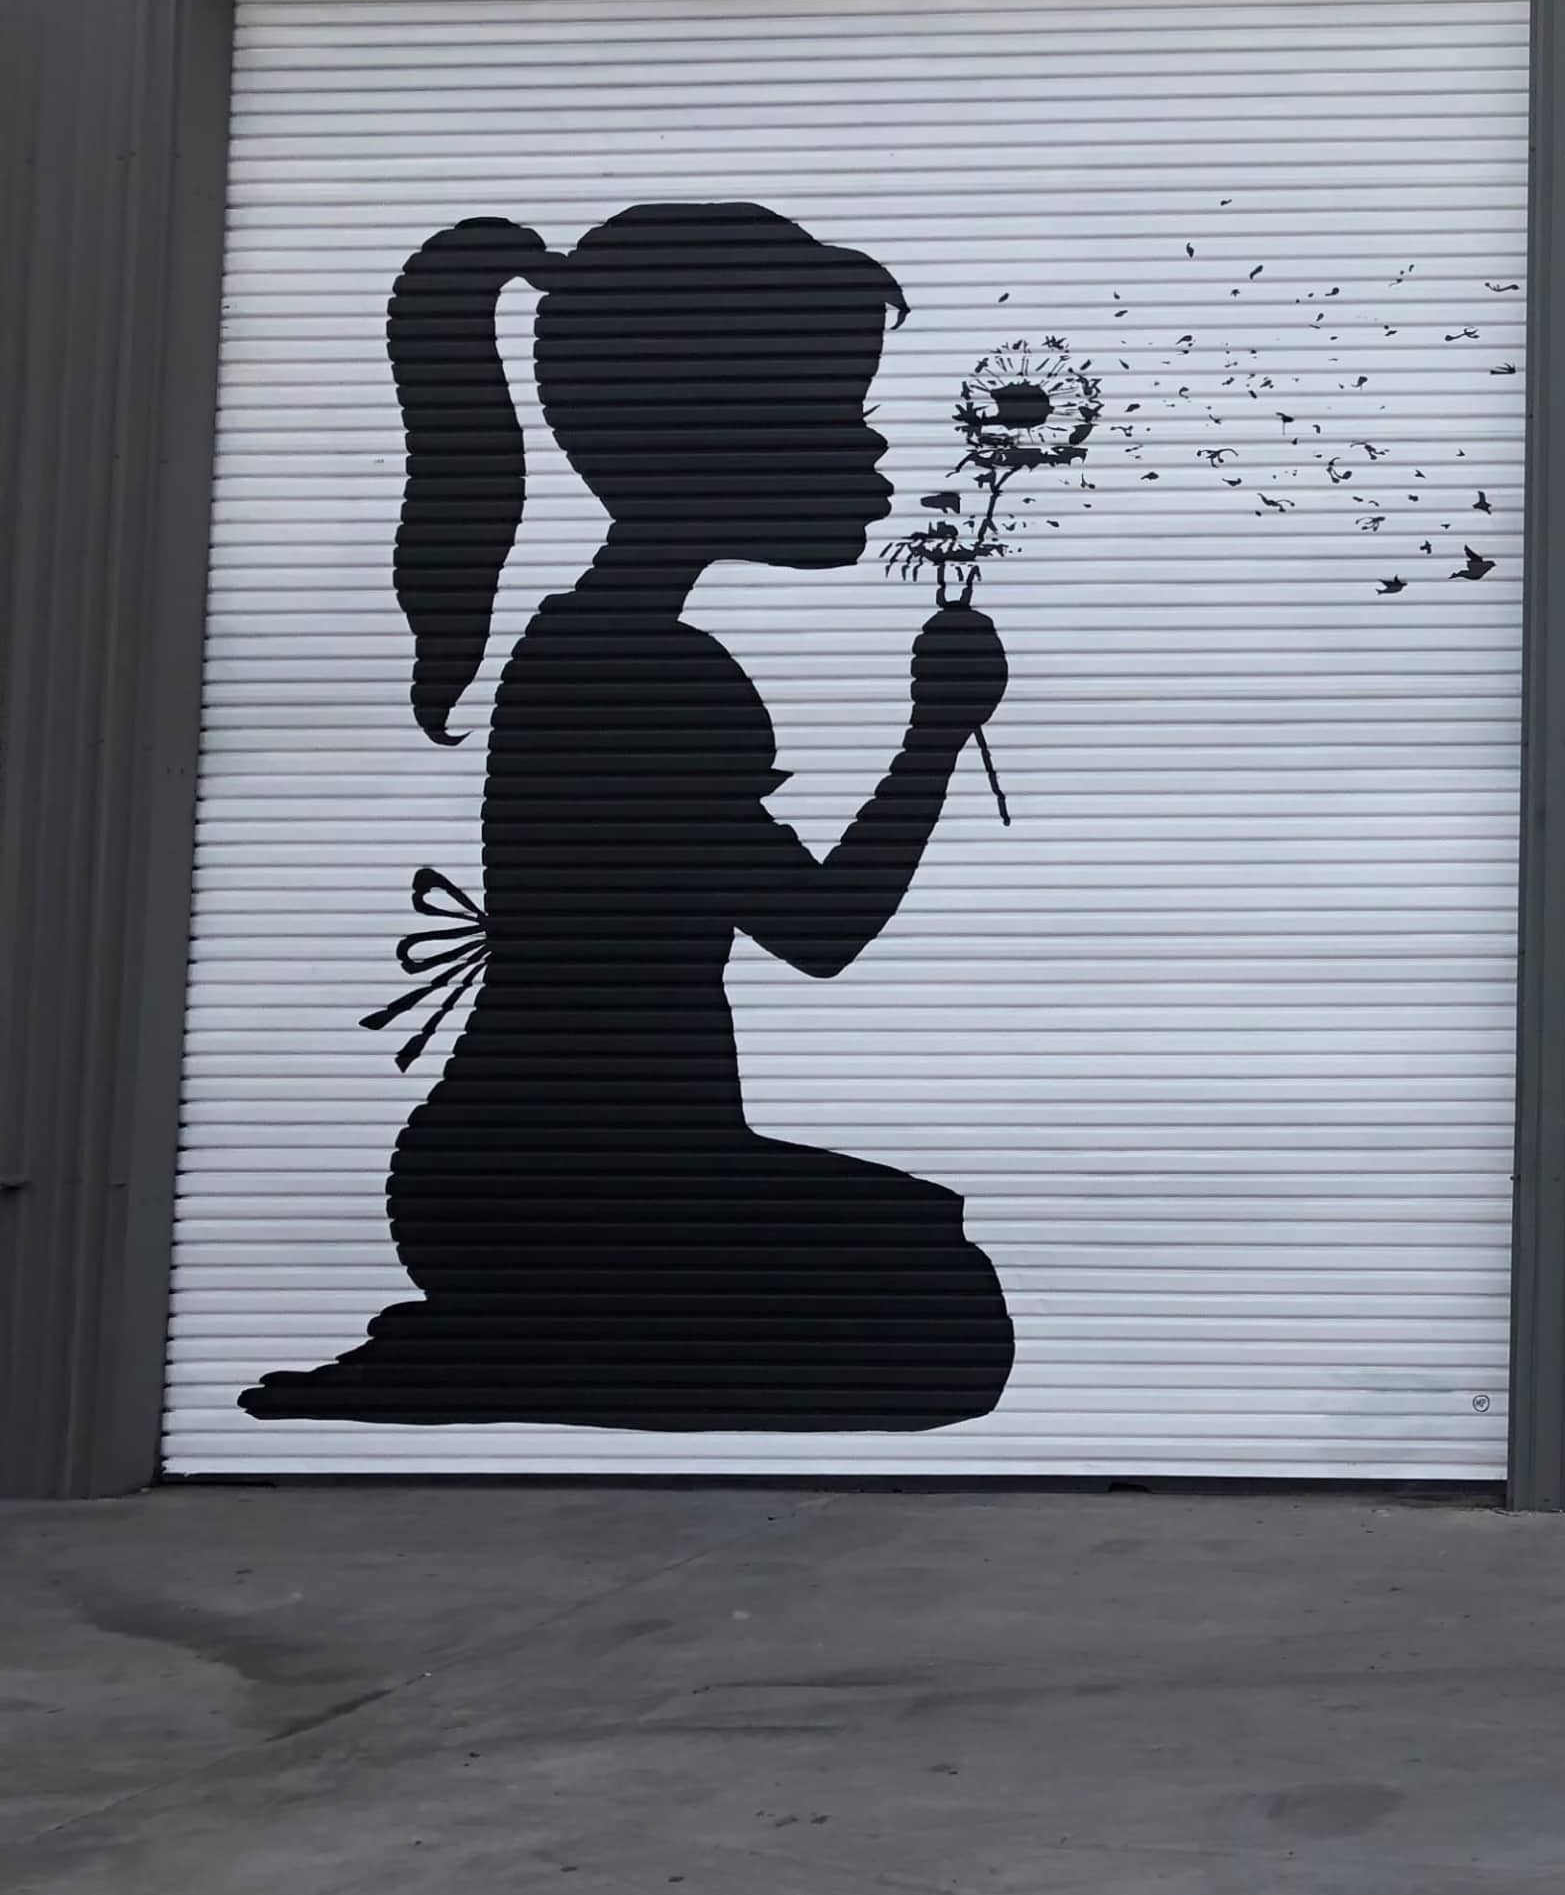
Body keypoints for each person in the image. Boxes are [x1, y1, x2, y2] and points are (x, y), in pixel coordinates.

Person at [241, 202, 1019, 1430]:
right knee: (944, 1334)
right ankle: (492, 1345)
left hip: (555, 1166)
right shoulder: (639, 671)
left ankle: (495, 1337)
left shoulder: (595, 643)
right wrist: (933, 732)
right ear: (711, 434)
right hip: (568, 1176)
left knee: (925, 1262)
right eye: (837, 416)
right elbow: (820, 931)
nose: (873, 455)